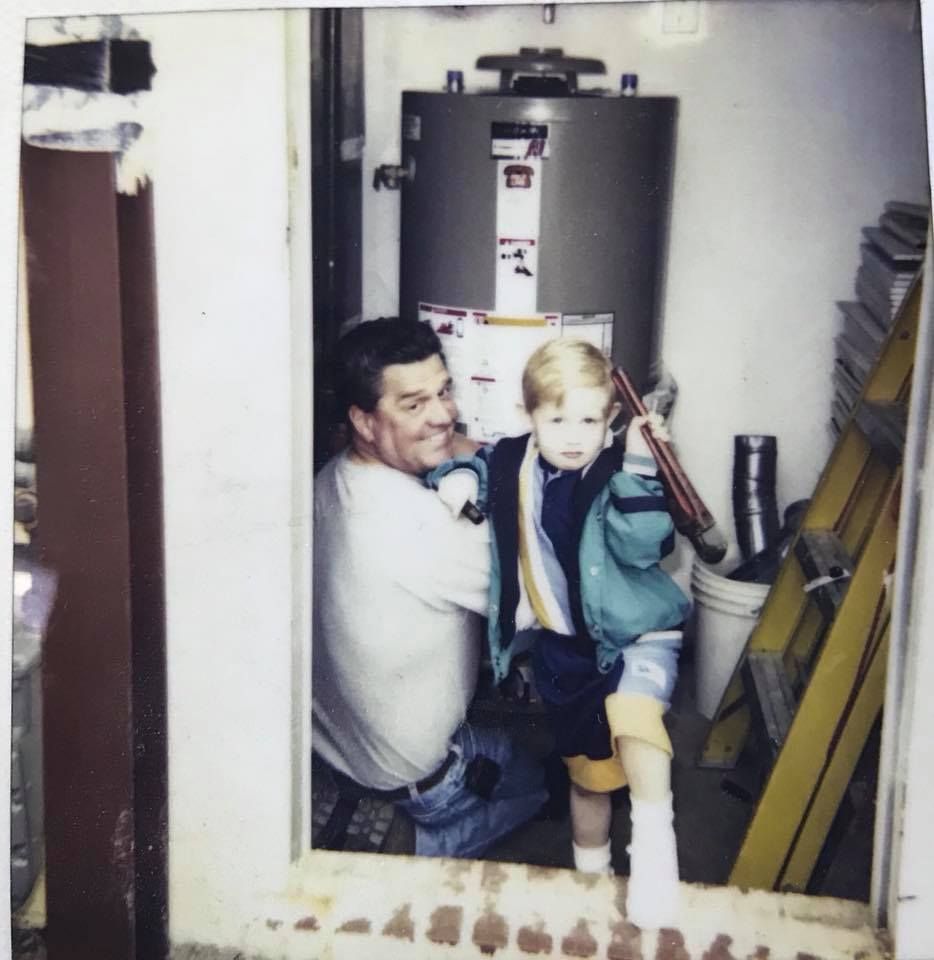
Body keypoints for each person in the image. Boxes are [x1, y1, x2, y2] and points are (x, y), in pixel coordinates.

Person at [431, 338, 691, 929]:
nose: (574, 434)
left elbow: (645, 545)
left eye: (590, 419)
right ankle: (589, 880)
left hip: (638, 633)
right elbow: (476, 462)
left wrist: (642, 468)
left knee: (634, 714)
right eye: (557, 418)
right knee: (589, 777)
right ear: (528, 417)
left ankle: (654, 849)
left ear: (611, 419)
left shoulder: (617, 467)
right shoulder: (513, 461)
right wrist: (459, 478)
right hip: (567, 650)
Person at [311, 318, 547, 859]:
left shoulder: (334, 476)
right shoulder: (423, 527)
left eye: (443, 391)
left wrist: (453, 446)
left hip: (340, 747)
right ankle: (411, 844)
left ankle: (362, 810)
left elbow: (450, 447)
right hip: (425, 776)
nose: (444, 413)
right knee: (542, 783)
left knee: (514, 751)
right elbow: (533, 610)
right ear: (364, 422)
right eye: (413, 405)